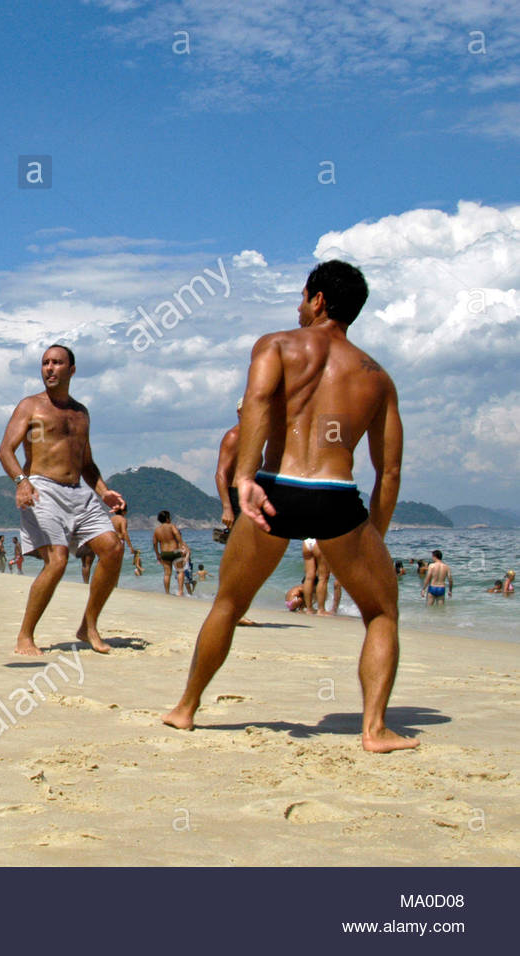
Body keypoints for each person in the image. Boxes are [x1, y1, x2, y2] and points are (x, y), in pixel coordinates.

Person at [163, 260, 417, 752]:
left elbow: (255, 404)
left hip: (275, 489)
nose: (298, 308)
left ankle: (186, 709)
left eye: (303, 298)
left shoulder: (276, 345)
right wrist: (374, 538)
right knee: (381, 612)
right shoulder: (377, 377)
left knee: (229, 603)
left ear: (318, 299)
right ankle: (374, 730)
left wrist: (244, 479)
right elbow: (388, 471)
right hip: (336, 497)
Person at [0, 345, 127, 656]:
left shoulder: (81, 413)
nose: (50, 368)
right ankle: (25, 636)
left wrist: (103, 490)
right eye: (45, 363)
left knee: (112, 548)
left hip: (78, 493)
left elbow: (86, 463)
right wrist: (21, 482)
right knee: (57, 561)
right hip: (41, 488)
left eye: (57, 363)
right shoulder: (30, 406)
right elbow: (5, 450)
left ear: (71, 369)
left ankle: (88, 625)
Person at [215, 400, 243, 529]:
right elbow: (221, 474)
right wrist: (227, 508)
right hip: (237, 497)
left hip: (250, 496)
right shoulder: (234, 436)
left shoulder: (252, 436)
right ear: (239, 412)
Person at [152, 511, 186, 595]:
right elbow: (177, 534)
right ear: (167, 518)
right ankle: (180, 591)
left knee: (167, 573)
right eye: (169, 517)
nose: (170, 519)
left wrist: (157, 554)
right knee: (180, 571)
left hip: (164, 553)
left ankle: (167, 593)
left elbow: (154, 543)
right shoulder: (171, 526)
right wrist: (181, 545)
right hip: (175, 551)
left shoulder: (157, 530)